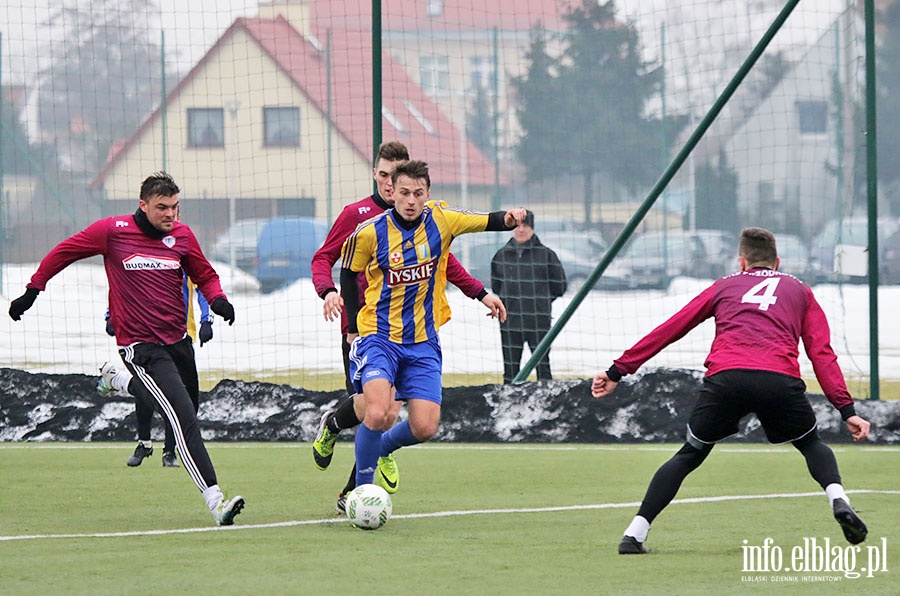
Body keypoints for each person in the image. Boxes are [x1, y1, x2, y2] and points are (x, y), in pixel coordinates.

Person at [590, 227, 870, 554]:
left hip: (727, 377)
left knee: (690, 454)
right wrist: (846, 409)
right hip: (777, 380)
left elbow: (673, 327)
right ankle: (839, 499)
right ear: (777, 261)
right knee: (810, 444)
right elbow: (821, 353)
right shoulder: (801, 290)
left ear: (741, 261)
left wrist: (618, 370)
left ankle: (634, 534)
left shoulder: (725, 285)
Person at [8, 171, 245, 526]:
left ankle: (117, 382)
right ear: (143, 205)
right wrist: (32, 290)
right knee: (182, 419)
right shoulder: (113, 231)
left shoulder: (182, 236)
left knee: (184, 409)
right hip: (141, 346)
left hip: (179, 343)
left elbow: (205, 274)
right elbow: (64, 252)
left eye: (175, 207)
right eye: (162, 207)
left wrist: (219, 299)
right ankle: (216, 502)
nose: (171, 215)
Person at [311, 141, 506, 512]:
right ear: (377, 176)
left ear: (421, 188)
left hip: (419, 334)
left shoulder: (433, 220)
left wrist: (480, 293)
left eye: (401, 181)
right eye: (385, 177)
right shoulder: (360, 219)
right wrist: (328, 293)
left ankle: (362, 472)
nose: (392, 186)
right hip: (367, 331)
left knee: (415, 422)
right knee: (376, 409)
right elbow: (327, 258)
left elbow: (446, 263)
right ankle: (344, 454)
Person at [100, 265, 215, 468]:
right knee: (150, 387)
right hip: (145, 334)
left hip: (181, 337)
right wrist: (111, 315)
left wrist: (207, 320)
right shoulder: (142, 258)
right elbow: (121, 285)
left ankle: (169, 451)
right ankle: (144, 442)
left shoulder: (182, 256)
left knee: (179, 394)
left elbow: (204, 287)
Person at [490, 210, 567, 383]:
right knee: (510, 370)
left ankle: (547, 403)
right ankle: (508, 404)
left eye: (525, 226)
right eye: (517, 225)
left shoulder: (546, 255)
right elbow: (496, 286)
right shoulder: (501, 256)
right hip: (510, 321)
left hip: (539, 321)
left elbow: (560, 286)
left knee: (543, 367)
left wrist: (541, 301)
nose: (521, 229)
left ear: (532, 228)